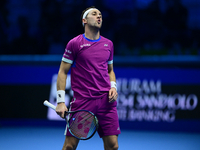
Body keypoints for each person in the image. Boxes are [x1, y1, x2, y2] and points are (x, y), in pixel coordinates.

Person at [55, 6, 121, 150]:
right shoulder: (75, 44)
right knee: (69, 147)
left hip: (106, 102)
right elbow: (62, 72)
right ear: (84, 20)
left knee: (113, 146)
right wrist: (60, 101)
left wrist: (113, 87)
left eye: (100, 15)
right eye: (94, 14)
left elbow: (110, 71)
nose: (99, 17)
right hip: (83, 102)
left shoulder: (108, 44)